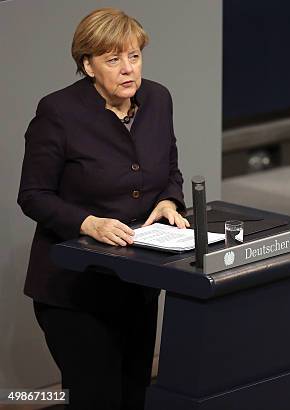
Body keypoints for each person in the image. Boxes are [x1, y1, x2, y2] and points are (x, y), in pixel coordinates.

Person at [17, 8, 189, 409]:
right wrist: (87, 223)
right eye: (113, 59)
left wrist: (168, 199)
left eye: (134, 56)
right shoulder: (58, 112)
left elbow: (171, 168)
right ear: (88, 65)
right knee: (97, 400)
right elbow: (33, 194)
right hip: (75, 291)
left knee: (134, 397)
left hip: (137, 284)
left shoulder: (158, 99)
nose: (128, 69)